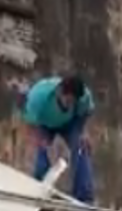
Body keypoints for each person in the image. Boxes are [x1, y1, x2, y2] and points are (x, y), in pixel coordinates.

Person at [18, 75, 96, 204]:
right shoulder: (39, 95)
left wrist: (83, 132)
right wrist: (39, 140)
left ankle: (84, 197)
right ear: (59, 93)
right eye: (67, 101)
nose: (68, 105)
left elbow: (86, 113)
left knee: (82, 149)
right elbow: (30, 122)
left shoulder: (84, 97)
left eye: (73, 102)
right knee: (42, 153)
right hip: (44, 123)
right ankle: (40, 191)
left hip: (71, 123)